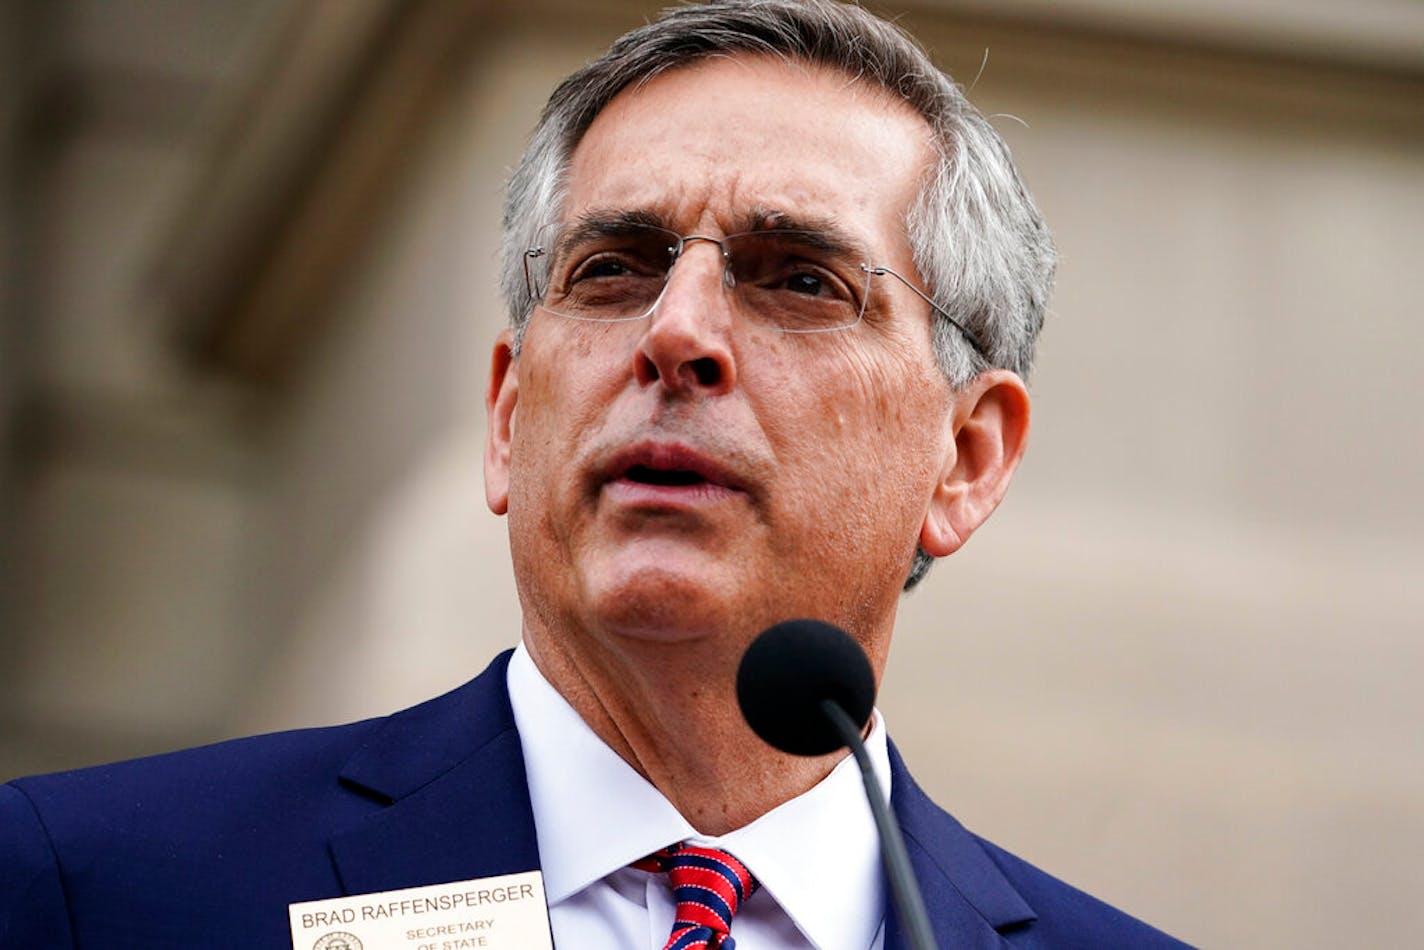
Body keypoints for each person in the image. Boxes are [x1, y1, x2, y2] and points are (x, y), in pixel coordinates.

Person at [1, 2, 1191, 947]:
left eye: (797, 278)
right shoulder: (89, 888)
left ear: (965, 456)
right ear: (510, 413)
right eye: (613, 268)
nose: (675, 333)